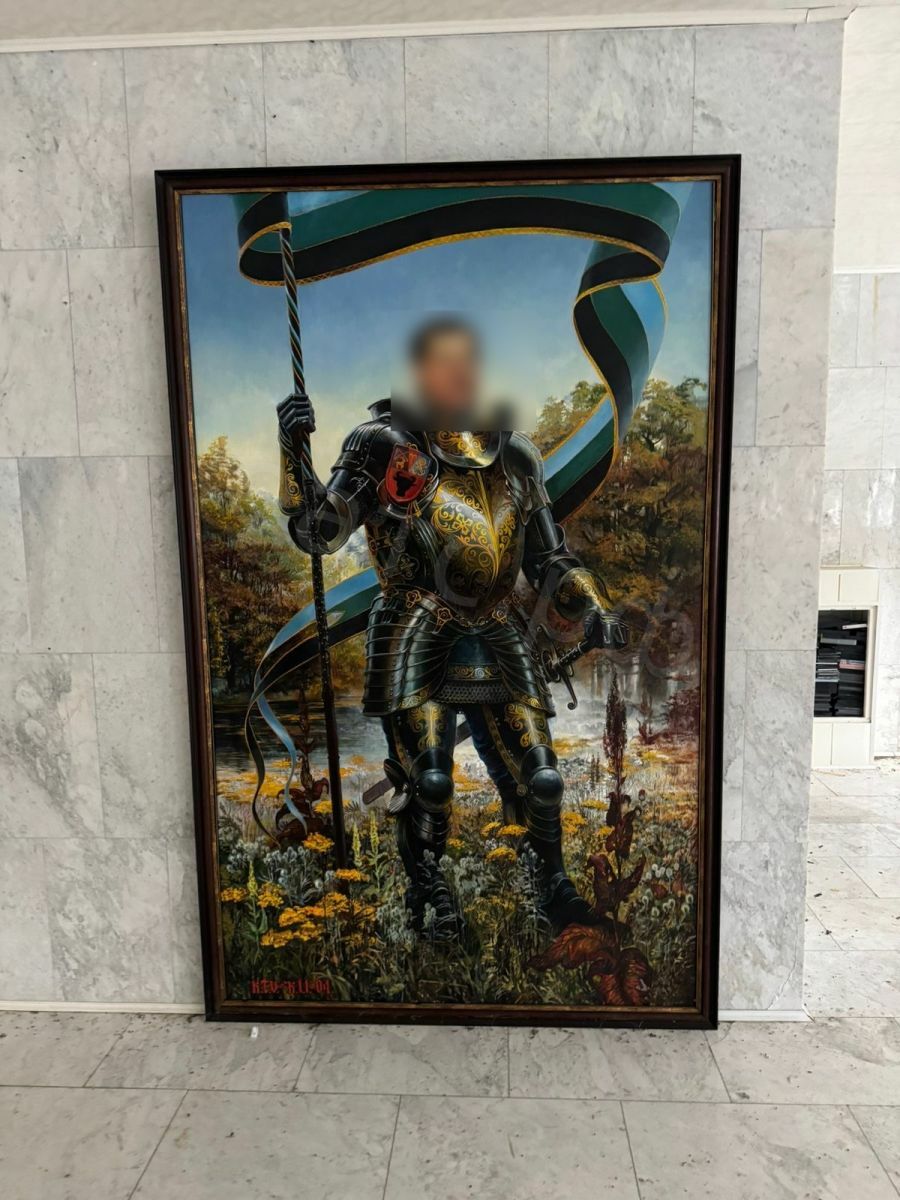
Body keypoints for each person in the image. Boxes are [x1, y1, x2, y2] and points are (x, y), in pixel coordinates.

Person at [277, 315, 626, 936]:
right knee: (430, 783)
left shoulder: (514, 454)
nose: (458, 372)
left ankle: (551, 889)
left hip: (497, 630)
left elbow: (550, 559)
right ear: (421, 370)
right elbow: (319, 531)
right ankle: (430, 895)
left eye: (467, 360)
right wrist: (293, 452)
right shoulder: (383, 444)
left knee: (543, 778)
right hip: (414, 629)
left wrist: (594, 606)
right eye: (444, 361)